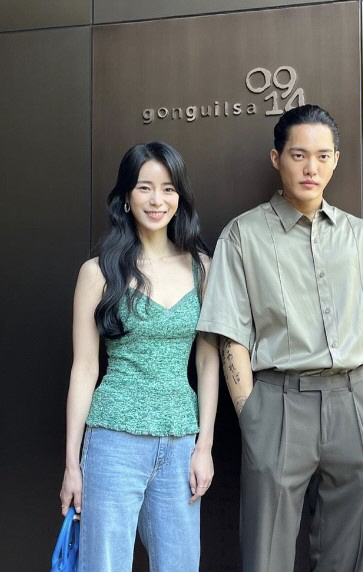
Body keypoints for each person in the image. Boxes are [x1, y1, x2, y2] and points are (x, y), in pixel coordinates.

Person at [197, 104, 363, 572]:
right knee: (266, 555)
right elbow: (230, 334)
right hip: (278, 403)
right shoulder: (243, 236)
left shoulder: (360, 236)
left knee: (348, 555)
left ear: (336, 160)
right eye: (299, 155)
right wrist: (252, 413)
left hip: (354, 404)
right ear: (277, 158)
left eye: (322, 156)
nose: (311, 167)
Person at [59, 141, 219, 572]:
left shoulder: (203, 268)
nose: (156, 200)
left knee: (180, 564)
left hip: (181, 442)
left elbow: (208, 361)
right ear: (127, 197)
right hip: (113, 441)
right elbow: (84, 368)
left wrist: (204, 445)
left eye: (168, 189)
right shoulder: (97, 272)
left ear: (179, 197)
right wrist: (72, 464)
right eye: (145, 187)